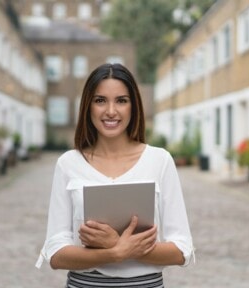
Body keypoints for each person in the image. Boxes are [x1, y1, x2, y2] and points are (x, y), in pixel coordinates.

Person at [35, 63, 194, 287]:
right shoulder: (68, 164)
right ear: (88, 106)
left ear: (134, 106)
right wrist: (114, 253)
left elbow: (181, 250)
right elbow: (55, 253)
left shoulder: (160, 161)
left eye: (121, 100)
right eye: (100, 100)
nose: (111, 111)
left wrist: (117, 244)